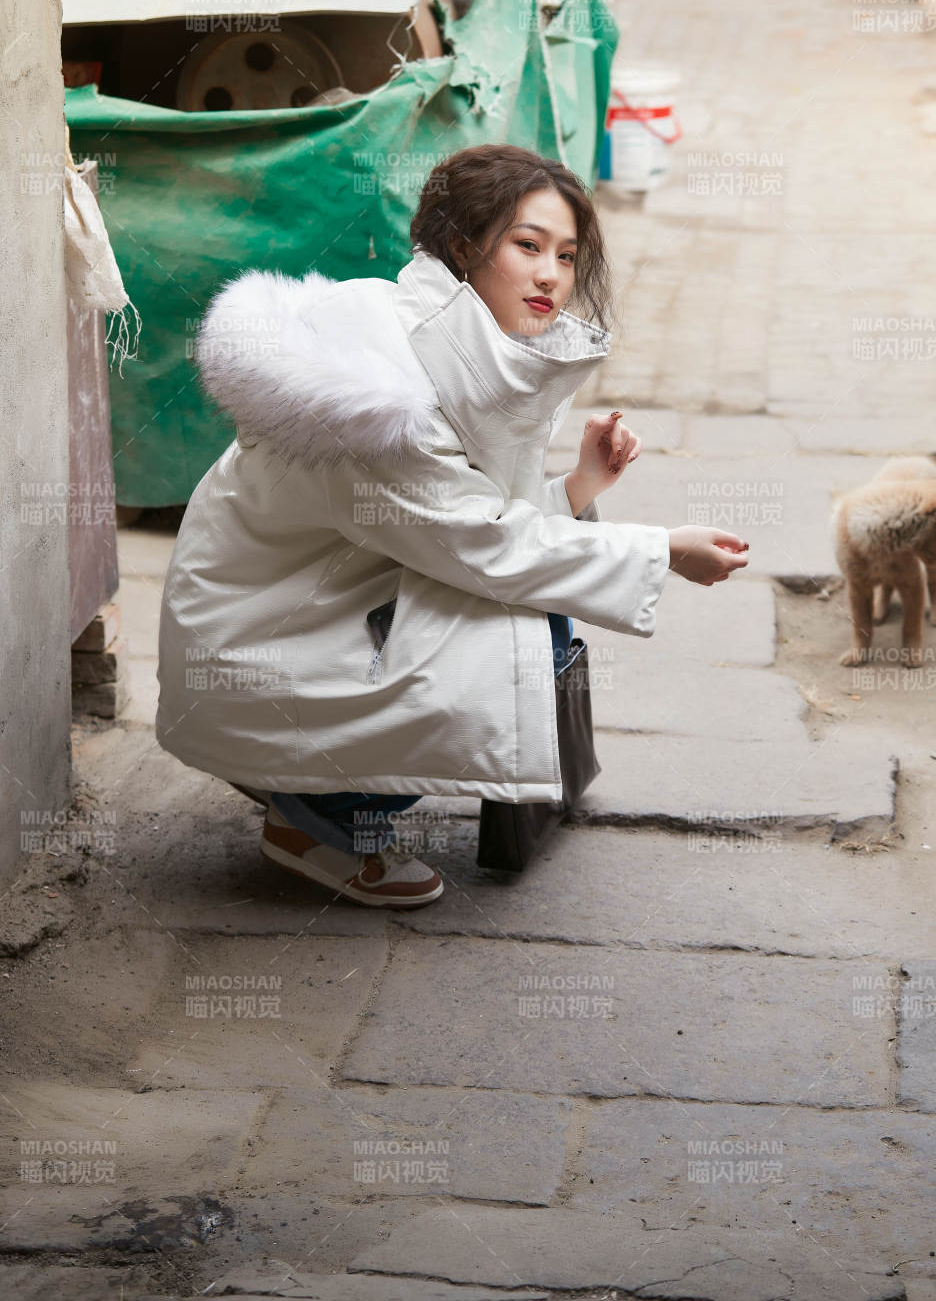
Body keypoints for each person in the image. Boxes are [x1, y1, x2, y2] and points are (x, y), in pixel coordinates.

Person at [155, 144, 749, 908]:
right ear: (464, 247)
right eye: (526, 246)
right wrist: (661, 550)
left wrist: (579, 485)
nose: (550, 275)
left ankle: (323, 780)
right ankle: (317, 821)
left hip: (306, 606)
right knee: (524, 636)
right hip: (252, 644)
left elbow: (460, 518)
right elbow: (484, 547)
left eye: (566, 256)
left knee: (533, 617)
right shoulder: (376, 400)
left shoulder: (436, 331)